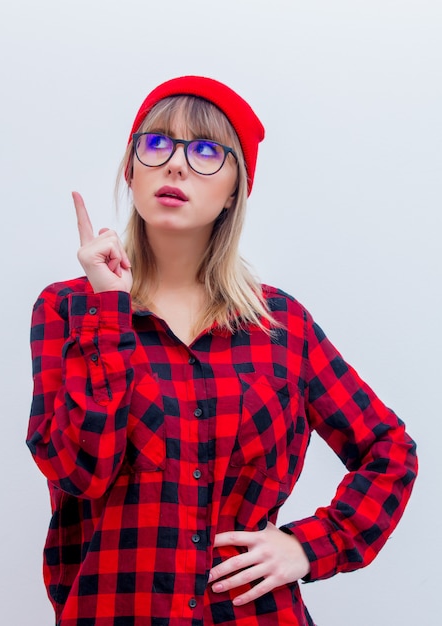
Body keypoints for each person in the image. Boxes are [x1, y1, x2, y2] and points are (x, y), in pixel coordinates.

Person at [27, 75, 417, 626]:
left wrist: (310, 546)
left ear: (236, 188)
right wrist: (110, 313)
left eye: (208, 151)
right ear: (130, 168)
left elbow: (389, 450)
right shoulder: (69, 311)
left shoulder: (281, 326)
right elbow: (78, 473)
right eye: (156, 143)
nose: (177, 165)